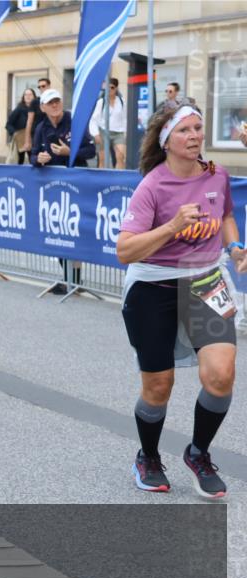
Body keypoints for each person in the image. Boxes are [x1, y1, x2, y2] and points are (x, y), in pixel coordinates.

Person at [116, 98, 246, 498]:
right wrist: (172, 226)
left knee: (222, 374)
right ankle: (149, 457)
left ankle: (198, 453)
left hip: (206, 280)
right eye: (185, 131)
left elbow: (224, 214)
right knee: (159, 386)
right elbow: (125, 251)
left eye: (198, 128)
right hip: (153, 286)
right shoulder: (152, 185)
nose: (195, 136)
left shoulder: (215, 173)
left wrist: (236, 245)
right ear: (167, 139)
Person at [30, 88, 96, 293]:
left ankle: (75, 281)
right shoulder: (41, 127)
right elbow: (33, 156)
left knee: (74, 231)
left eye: (57, 101)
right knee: (57, 230)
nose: (55, 105)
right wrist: (39, 160)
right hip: (53, 188)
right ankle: (69, 279)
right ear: (43, 107)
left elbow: (91, 150)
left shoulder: (74, 121)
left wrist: (71, 152)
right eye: (50, 103)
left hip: (77, 185)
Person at [90, 78, 126, 169]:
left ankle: (119, 180)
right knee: (102, 159)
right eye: (107, 88)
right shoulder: (101, 102)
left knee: (120, 157)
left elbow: (125, 118)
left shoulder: (122, 101)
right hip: (103, 132)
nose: (109, 90)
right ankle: (101, 181)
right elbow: (94, 120)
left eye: (112, 87)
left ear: (116, 88)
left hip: (118, 133)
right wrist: (96, 134)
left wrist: (125, 132)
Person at [5, 89, 35, 165]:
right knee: (19, 161)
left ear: (34, 96)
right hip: (21, 139)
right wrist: (14, 133)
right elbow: (8, 124)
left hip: (33, 138)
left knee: (33, 160)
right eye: (26, 94)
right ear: (23, 97)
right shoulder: (18, 109)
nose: (28, 96)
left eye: (30, 94)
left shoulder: (37, 109)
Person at [23, 77, 51, 157]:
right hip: (36, 135)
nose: (41, 88)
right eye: (39, 87)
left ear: (49, 86)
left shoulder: (54, 101)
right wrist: (27, 141)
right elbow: (29, 122)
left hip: (50, 134)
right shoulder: (35, 102)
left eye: (43, 86)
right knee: (36, 159)